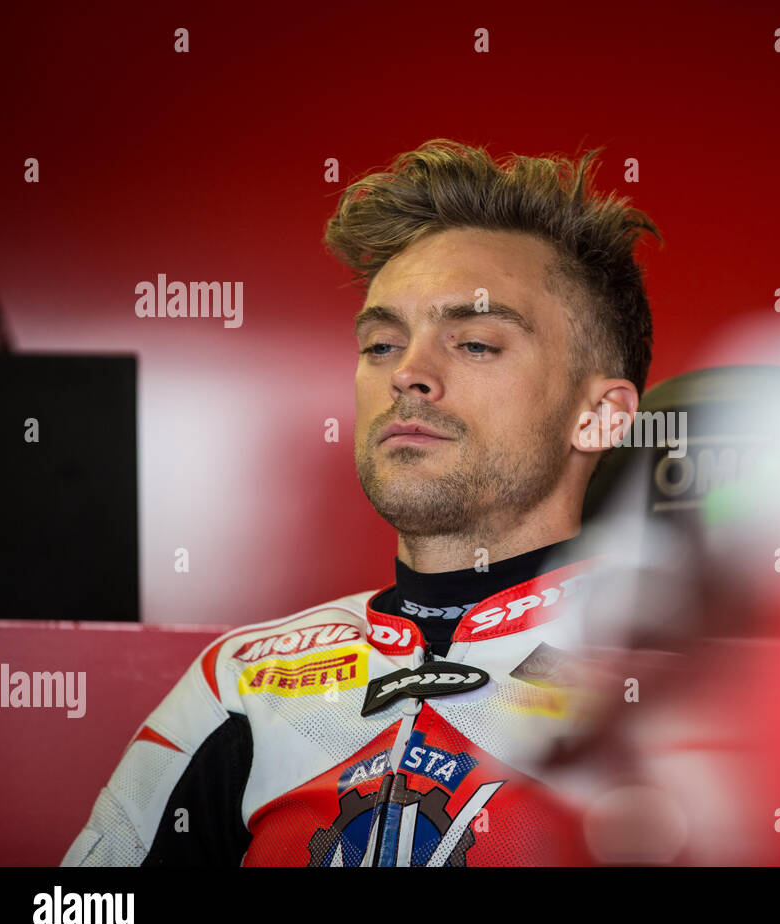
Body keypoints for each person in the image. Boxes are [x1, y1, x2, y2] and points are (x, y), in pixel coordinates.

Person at [62, 139, 661, 866]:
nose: (408, 373)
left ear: (599, 416)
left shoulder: (678, 682)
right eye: (381, 344)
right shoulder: (244, 682)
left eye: (472, 342)